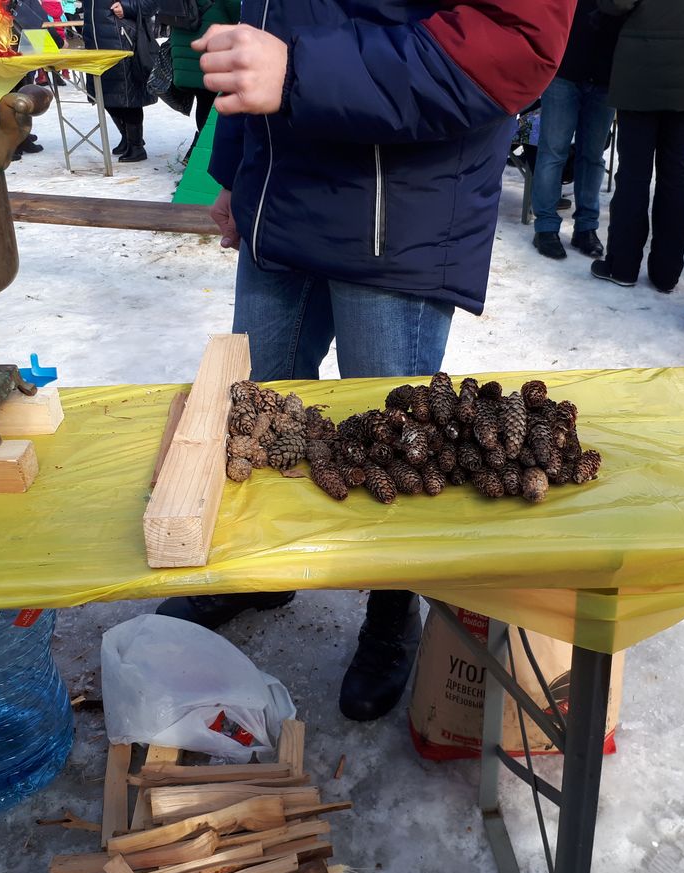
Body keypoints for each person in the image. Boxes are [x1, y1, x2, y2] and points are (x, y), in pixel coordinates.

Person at [155, 0, 573, 723]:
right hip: (279, 190)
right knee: (254, 413)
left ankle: (391, 605)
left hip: (400, 204)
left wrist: (302, 72)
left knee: (402, 438)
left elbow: (514, 39)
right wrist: (231, 166)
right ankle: (261, 572)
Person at [590, 0, 684, 292]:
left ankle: (622, 265)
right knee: (675, 176)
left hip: (642, 71)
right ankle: (666, 272)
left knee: (634, 175)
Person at [530, 2, 623, 261]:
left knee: (593, 157)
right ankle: (546, 228)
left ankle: (586, 228)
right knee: (553, 151)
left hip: (606, 73)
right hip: (564, 69)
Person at [81, 0, 157, 162]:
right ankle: (127, 137)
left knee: (127, 95)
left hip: (122, 38)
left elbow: (153, 3)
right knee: (105, 95)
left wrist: (127, 7)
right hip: (96, 41)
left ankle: (136, 146)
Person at [169, 0, 241, 165]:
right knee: (210, 100)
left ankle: (196, 150)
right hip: (208, 44)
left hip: (183, 44)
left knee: (203, 100)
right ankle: (200, 152)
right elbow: (235, 10)